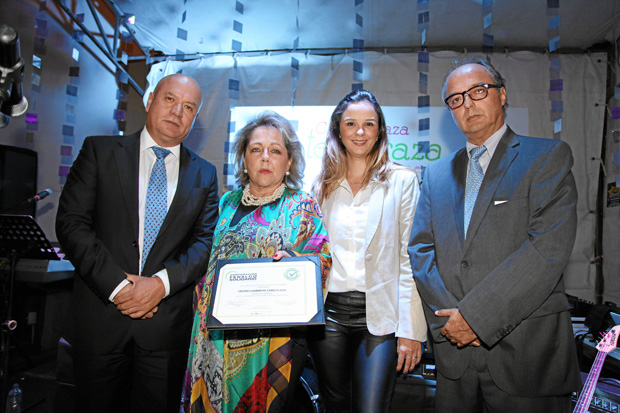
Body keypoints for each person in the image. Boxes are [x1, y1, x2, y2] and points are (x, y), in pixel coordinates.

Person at [408, 57, 581, 412]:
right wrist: (452, 321)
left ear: (502, 95)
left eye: (478, 91)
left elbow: (546, 250)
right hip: (454, 357)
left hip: (526, 357)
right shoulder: (435, 175)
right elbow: (421, 251)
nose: (467, 104)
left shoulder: (546, 157)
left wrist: (475, 318)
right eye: (456, 99)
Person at [55, 74, 219, 413]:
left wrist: (159, 285)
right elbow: (72, 224)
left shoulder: (205, 173)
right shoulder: (99, 151)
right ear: (150, 100)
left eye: (189, 107)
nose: (177, 111)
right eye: (170, 99)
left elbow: (204, 243)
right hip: (100, 320)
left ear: (194, 118)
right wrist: (119, 288)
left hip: (165, 330)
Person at [183, 111, 331, 412]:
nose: (265, 157)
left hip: (274, 343)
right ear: (243, 159)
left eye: (275, 150)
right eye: (256, 149)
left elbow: (323, 261)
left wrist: (295, 265)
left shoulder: (303, 205)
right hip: (213, 337)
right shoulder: (225, 204)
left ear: (289, 162)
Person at [308, 89, 427, 413]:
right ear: (338, 130)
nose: (359, 132)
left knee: (371, 407)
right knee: (334, 406)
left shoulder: (403, 181)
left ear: (380, 130)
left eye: (369, 124)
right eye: (351, 123)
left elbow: (409, 261)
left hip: (381, 316)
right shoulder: (320, 186)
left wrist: (411, 330)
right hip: (328, 317)